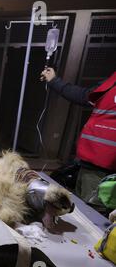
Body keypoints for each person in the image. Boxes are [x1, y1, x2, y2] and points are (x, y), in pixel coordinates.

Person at [40, 67, 116, 209]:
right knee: (81, 203)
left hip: (105, 167)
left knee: (94, 211)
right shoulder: (111, 83)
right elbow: (84, 95)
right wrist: (54, 81)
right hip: (90, 160)